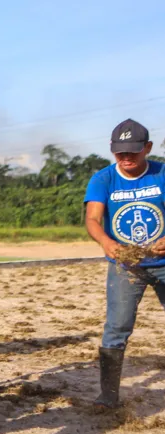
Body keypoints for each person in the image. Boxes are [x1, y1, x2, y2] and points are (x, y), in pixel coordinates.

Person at [84, 118, 165, 408]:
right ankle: (108, 395)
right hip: (125, 266)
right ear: (112, 150)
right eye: (120, 153)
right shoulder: (103, 179)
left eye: (133, 151)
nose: (126, 158)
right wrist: (107, 243)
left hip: (163, 262)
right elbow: (93, 219)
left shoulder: (162, 174)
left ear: (148, 148)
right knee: (117, 327)